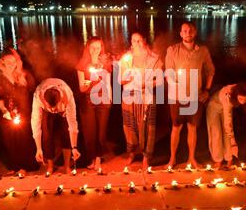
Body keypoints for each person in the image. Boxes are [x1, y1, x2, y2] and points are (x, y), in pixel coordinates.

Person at [165, 22, 215, 169]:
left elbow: (210, 71)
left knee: (192, 128)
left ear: (195, 33)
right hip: (177, 97)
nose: (188, 33)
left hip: (195, 96)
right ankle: (172, 159)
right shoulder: (172, 50)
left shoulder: (203, 51)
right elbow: (168, 72)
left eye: (190, 31)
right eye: (185, 31)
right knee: (176, 127)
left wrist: (207, 90)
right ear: (180, 34)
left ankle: (191, 159)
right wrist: (175, 83)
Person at [0, 48, 39, 175]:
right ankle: (15, 165)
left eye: (13, 62)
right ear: (2, 63)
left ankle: (25, 166)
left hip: (24, 112)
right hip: (7, 114)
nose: (11, 64)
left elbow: (32, 89)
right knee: (10, 140)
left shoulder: (22, 76)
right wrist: (4, 111)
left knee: (23, 139)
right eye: (8, 62)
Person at [119, 32, 163, 170]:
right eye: (134, 40)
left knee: (148, 128)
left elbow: (160, 80)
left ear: (144, 41)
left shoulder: (154, 59)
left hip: (147, 98)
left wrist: (146, 84)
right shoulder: (126, 59)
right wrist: (127, 79)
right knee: (129, 127)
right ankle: (131, 154)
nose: (136, 43)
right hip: (129, 97)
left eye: (139, 40)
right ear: (131, 42)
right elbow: (120, 80)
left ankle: (146, 157)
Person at [76, 37, 112, 170]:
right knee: (89, 132)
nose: (95, 50)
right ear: (88, 48)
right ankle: (92, 157)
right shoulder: (82, 64)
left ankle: (98, 158)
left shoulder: (105, 63)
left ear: (101, 48)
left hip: (103, 100)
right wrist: (88, 83)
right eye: (92, 47)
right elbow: (81, 88)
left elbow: (108, 82)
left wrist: (110, 98)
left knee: (101, 133)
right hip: (88, 101)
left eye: (98, 47)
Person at [31, 78, 81, 174]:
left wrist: (74, 147)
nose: (53, 110)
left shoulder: (67, 95)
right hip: (46, 111)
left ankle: (66, 166)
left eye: (55, 107)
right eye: (51, 107)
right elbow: (35, 121)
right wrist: (38, 149)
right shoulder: (38, 96)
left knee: (66, 133)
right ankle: (50, 166)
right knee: (47, 135)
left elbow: (72, 122)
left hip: (63, 108)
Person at [206, 83, 246, 169]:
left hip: (225, 108)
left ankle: (229, 159)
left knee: (227, 134)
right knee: (216, 133)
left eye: (245, 100)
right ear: (236, 95)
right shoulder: (228, 95)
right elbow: (228, 122)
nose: (242, 102)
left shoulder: (242, 89)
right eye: (241, 99)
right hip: (214, 107)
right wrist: (233, 143)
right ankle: (218, 160)